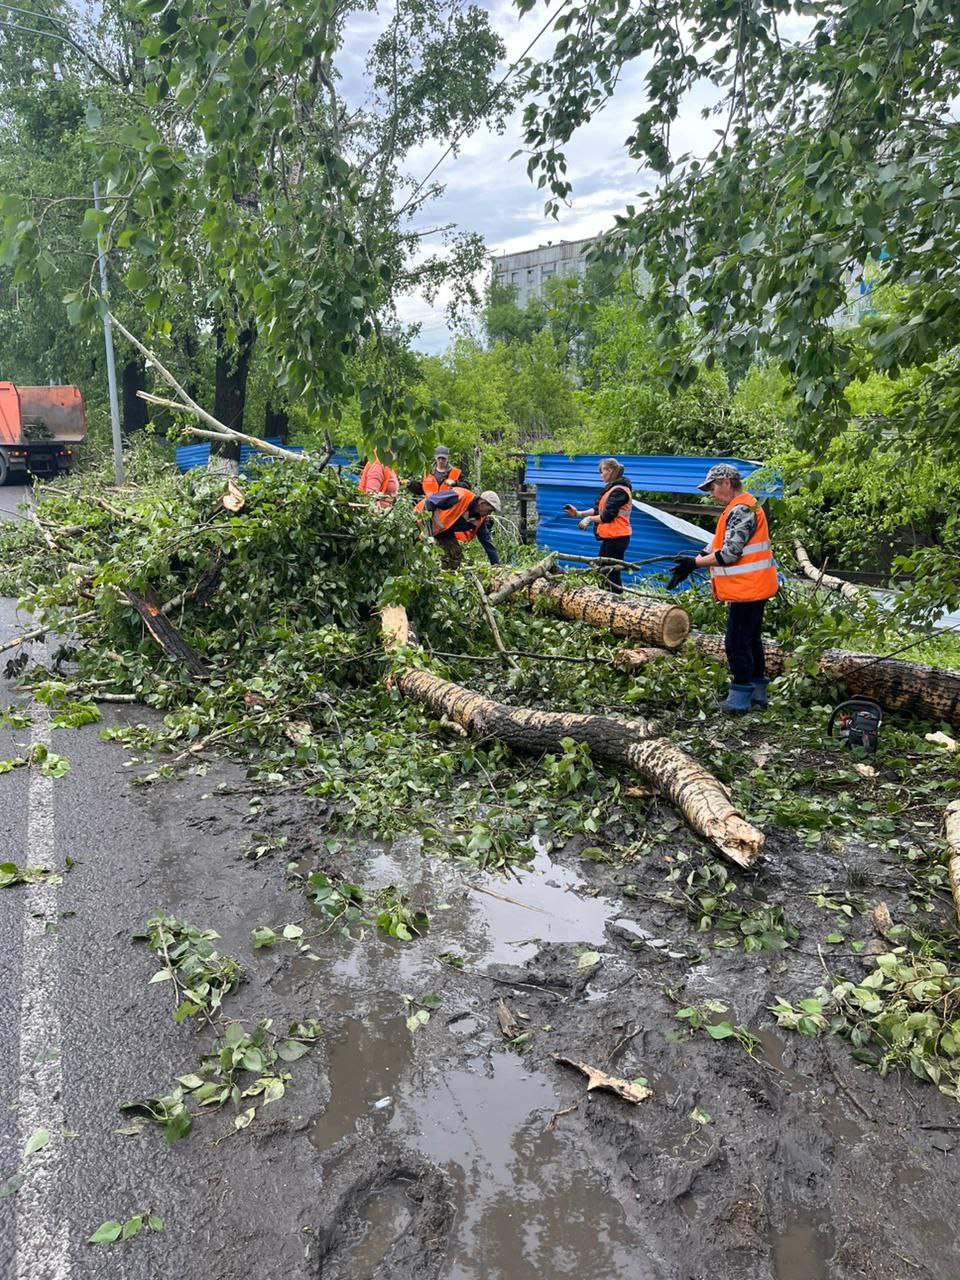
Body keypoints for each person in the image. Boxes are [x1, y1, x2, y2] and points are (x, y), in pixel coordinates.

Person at [668, 463, 778, 713]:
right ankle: (758, 694)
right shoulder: (739, 507)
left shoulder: (741, 509)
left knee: (736, 642)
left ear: (727, 482)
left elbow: (729, 554)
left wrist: (694, 563)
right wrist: (690, 563)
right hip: (752, 587)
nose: (711, 494)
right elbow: (716, 544)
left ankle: (739, 698)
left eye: (713, 487)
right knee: (750, 640)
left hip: (748, 588)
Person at [563, 457, 633, 593]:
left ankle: (616, 602)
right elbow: (598, 510)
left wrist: (589, 520)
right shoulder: (611, 490)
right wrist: (578, 514)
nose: (601, 475)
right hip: (611, 537)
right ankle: (605, 599)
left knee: (611, 572)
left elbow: (607, 516)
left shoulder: (620, 491)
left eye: (602, 472)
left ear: (610, 471)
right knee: (602, 570)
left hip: (618, 537)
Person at [424, 486, 501, 570]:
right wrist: (427, 528)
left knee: (455, 554)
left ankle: (447, 578)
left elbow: (486, 542)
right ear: (482, 503)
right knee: (423, 552)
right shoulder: (460, 495)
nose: (489, 514)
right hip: (421, 521)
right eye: (489, 510)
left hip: (444, 531)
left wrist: (496, 564)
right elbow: (430, 501)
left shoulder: (479, 519)